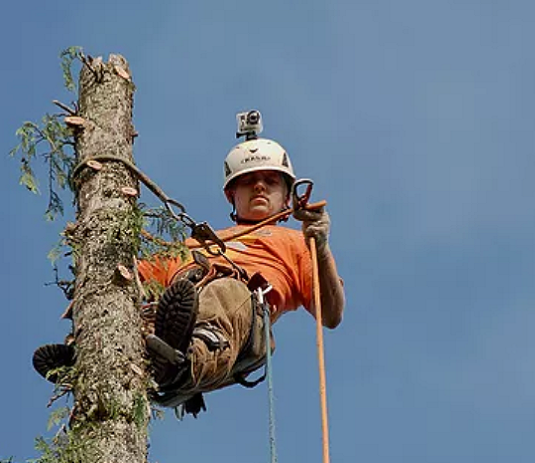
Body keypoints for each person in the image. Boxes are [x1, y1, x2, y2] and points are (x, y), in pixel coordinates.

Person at [33, 135, 345, 416]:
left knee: (225, 291)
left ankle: (182, 357)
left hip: (239, 318)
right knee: (151, 312)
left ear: (288, 197)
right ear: (231, 195)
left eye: (270, 181)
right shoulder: (193, 246)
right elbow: (129, 276)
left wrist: (319, 245)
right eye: (249, 181)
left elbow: (331, 314)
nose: (260, 186)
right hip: (184, 308)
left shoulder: (297, 243)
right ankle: (96, 357)